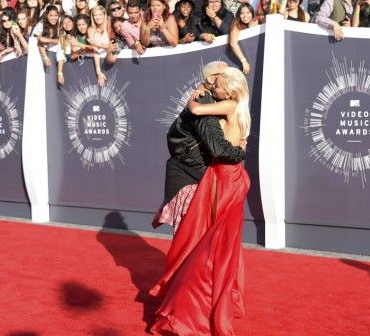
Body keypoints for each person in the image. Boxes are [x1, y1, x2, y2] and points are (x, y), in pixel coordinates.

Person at [150, 66, 251, 336]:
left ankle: (193, 304)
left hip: (223, 176)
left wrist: (193, 100)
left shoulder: (224, 105)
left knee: (205, 245)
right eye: (213, 82)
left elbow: (208, 131)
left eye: (217, 84)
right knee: (221, 246)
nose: (213, 87)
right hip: (229, 177)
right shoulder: (238, 105)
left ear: (227, 89)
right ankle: (216, 300)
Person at [152, 61, 246, 232]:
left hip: (205, 175)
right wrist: (240, 153)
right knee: (193, 235)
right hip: (193, 177)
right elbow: (218, 148)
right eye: (225, 75)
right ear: (213, 79)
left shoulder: (220, 103)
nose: (230, 76)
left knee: (203, 235)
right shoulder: (205, 100)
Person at [229, 3, 258, 75]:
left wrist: (253, 28)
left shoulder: (256, 22)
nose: (245, 16)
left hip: (255, 59)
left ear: (252, 14)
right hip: (240, 61)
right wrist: (244, 62)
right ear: (239, 15)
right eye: (242, 13)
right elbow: (233, 44)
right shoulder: (236, 23)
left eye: (248, 13)